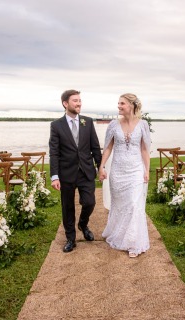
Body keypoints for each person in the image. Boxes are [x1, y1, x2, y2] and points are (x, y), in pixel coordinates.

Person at [49, 89, 102, 253]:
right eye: (75, 100)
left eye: (80, 100)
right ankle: (71, 238)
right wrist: (55, 176)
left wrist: (101, 167)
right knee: (67, 207)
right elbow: (54, 152)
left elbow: (95, 147)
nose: (79, 103)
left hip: (86, 171)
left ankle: (83, 224)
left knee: (89, 202)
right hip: (66, 173)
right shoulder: (56, 125)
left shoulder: (88, 121)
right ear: (65, 103)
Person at [98, 93, 151, 258]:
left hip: (135, 170)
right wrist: (101, 166)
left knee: (135, 205)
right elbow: (108, 148)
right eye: (118, 104)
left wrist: (147, 170)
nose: (119, 106)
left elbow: (144, 149)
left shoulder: (143, 125)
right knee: (120, 206)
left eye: (122, 104)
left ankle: (133, 242)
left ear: (132, 105)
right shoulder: (114, 125)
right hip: (118, 171)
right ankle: (118, 233)